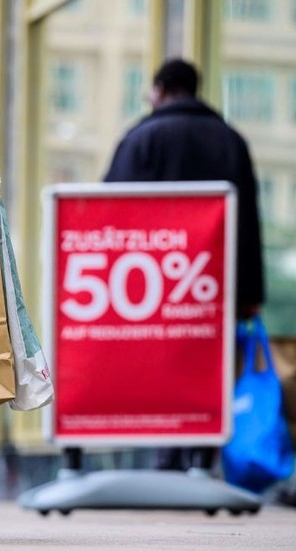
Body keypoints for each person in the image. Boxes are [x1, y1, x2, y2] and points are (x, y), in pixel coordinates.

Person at [105, 58, 265, 471]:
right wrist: (250, 293)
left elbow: (110, 215)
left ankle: (167, 456)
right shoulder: (232, 140)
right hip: (214, 284)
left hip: (153, 286)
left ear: (160, 90)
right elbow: (248, 222)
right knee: (208, 367)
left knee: (159, 365)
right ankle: (203, 455)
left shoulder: (142, 138)